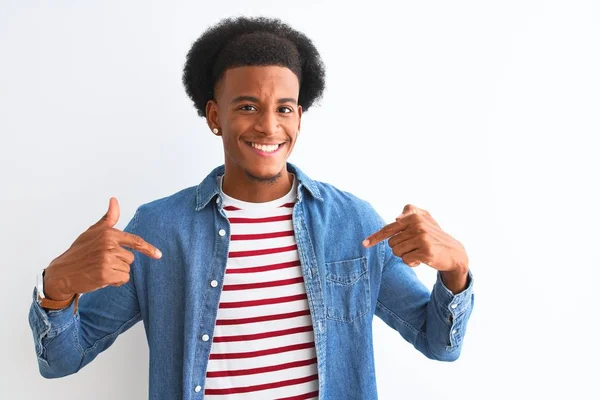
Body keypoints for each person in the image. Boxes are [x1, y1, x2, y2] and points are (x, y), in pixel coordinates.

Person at [28, 16, 474, 400]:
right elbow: (62, 360)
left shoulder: (352, 222)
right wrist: (58, 288)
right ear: (214, 115)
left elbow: (439, 343)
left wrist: (455, 272)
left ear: (299, 116)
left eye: (284, 108)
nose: (268, 125)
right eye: (247, 106)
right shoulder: (160, 229)